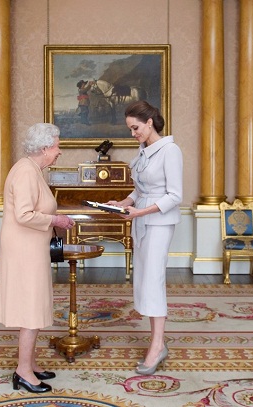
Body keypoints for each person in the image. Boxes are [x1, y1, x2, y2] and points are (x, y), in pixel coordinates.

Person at [0, 123, 75, 393]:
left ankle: (30, 363)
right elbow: (24, 215)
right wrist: (56, 219)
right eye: (57, 145)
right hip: (24, 250)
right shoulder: (26, 171)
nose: (59, 151)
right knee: (30, 309)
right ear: (44, 148)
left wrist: (54, 222)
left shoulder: (33, 169)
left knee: (35, 305)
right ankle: (23, 372)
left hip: (30, 247)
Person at [106, 100, 183, 375]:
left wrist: (138, 213)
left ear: (149, 122)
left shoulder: (170, 151)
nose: (133, 133)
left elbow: (174, 196)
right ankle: (157, 342)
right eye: (130, 129)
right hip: (141, 220)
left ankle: (157, 345)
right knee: (144, 281)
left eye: (135, 127)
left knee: (153, 281)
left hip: (160, 223)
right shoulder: (142, 152)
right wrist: (122, 202)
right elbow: (139, 191)